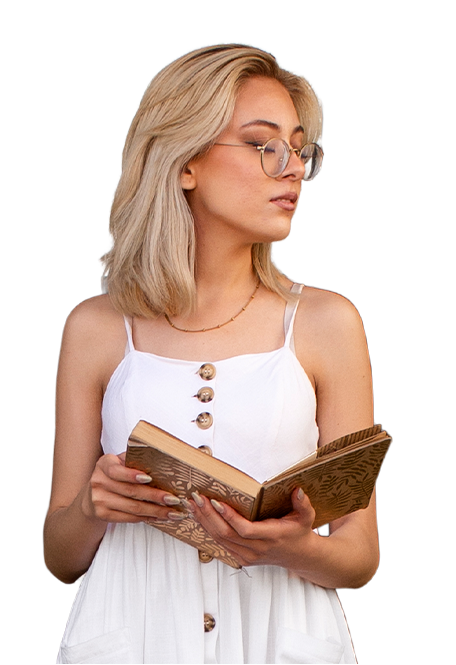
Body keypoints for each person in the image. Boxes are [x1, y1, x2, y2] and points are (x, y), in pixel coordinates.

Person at [43, 43, 379, 664]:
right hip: (133, 641)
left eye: (298, 149)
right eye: (263, 144)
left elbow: (359, 556)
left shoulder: (326, 324)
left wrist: (292, 547)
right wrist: (93, 506)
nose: (293, 170)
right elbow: (61, 558)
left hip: (281, 640)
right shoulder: (99, 328)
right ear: (184, 162)